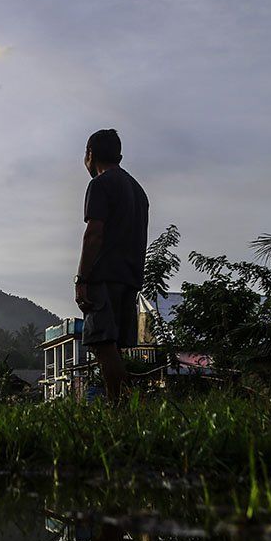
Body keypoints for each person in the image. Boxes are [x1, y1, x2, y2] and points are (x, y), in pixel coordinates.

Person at [75, 128, 149, 403]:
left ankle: (123, 405)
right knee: (114, 345)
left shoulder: (101, 184)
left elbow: (93, 234)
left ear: (90, 154)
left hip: (103, 276)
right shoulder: (137, 190)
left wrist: (82, 278)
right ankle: (122, 404)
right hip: (130, 277)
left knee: (102, 343)